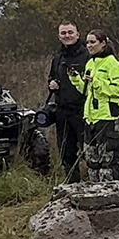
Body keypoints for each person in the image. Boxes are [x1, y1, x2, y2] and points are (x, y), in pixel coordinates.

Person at [70, 30, 119, 182]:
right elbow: (86, 90)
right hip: (91, 117)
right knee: (92, 160)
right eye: (87, 42)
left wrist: (97, 83)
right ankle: (93, 195)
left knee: (108, 160)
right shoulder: (90, 63)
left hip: (108, 117)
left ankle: (110, 195)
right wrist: (75, 78)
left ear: (103, 43)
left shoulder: (113, 64)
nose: (89, 46)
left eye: (92, 42)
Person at [47, 22, 90, 179]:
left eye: (70, 32)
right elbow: (52, 77)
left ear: (77, 35)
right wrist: (51, 84)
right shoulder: (58, 57)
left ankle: (95, 185)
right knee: (66, 151)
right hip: (62, 111)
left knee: (89, 151)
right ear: (59, 37)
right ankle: (72, 185)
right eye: (63, 33)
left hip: (83, 111)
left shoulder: (87, 56)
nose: (67, 36)